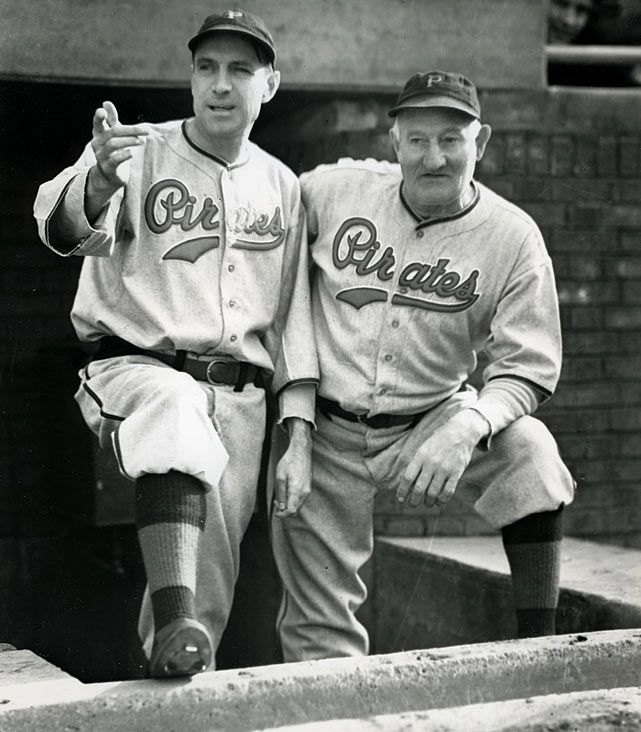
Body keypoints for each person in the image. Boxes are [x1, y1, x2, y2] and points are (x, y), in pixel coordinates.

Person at [33, 8, 318, 677]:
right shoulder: (135, 149)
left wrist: (296, 436)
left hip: (241, 403)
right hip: (137, 369)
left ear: (269, 85)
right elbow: (58, 222)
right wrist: (98, 180)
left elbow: (294, 319)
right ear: (191, 78)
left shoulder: (281, 184)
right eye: (206, 68)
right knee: (173, 403)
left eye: (239, 70)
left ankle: (175, 671)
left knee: (198, 608)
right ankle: (175, 628)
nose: (220, 84)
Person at [271, 71, 576, 661]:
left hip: (429, 421)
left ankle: (542, 650)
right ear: (394, 143)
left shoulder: (513, 237)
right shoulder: (334, 190)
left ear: (479, 143)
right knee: (318, 629)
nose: (434, 157)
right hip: (324, 430)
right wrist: (295, 429)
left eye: (452, 140)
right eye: (417, 140)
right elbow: (256, 217)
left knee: (531, 452)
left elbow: (531, 363)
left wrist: (469, 425)